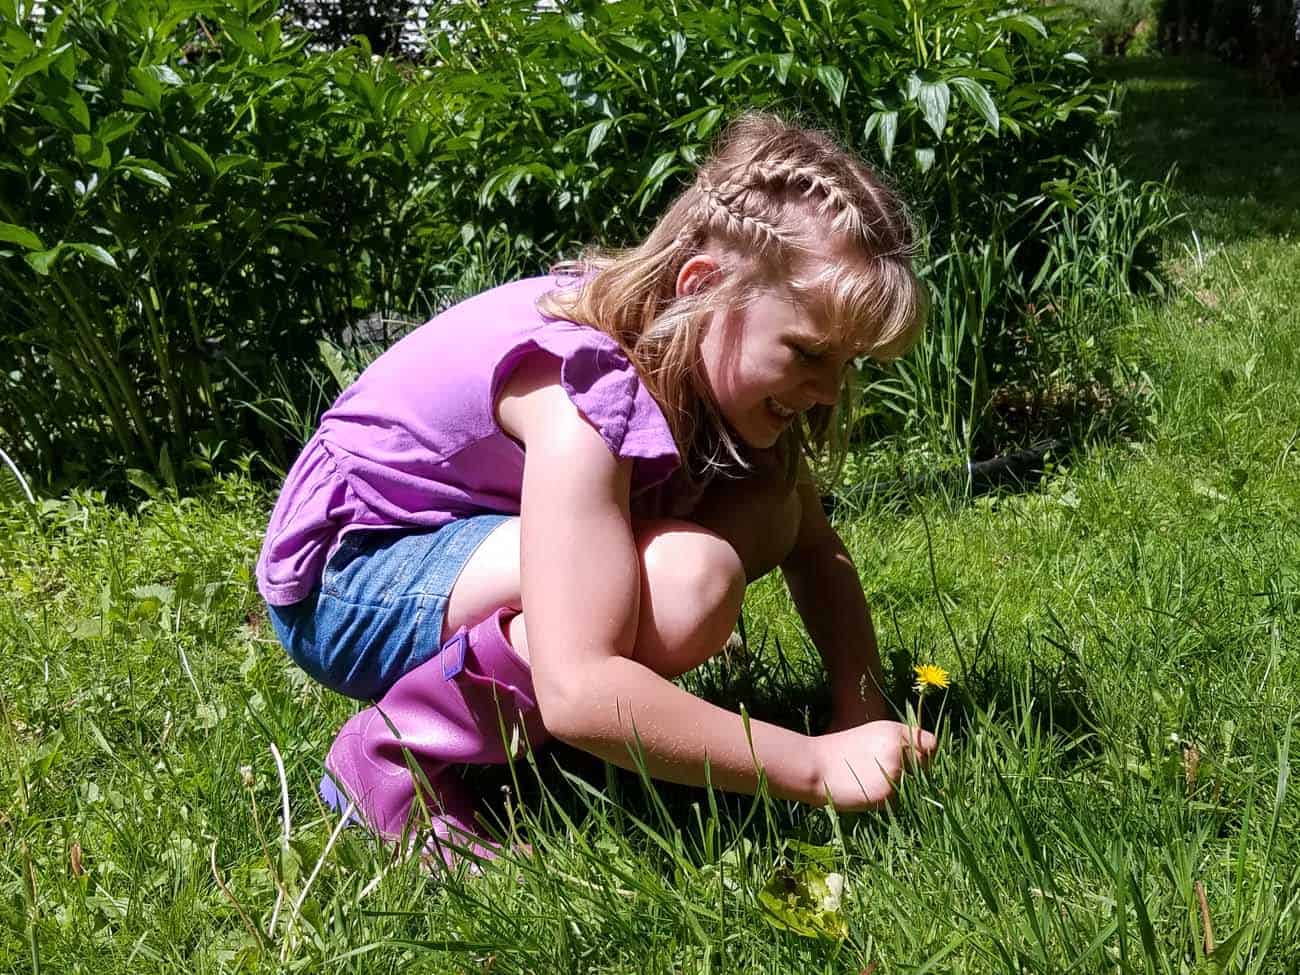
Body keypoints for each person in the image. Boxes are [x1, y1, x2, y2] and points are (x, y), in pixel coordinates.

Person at [256, 111, 939, 862]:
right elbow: (580, 687)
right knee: (685, 584)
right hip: (352, 571)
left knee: (767, 509)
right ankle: (394, 752)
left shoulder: (688, 354)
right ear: (703, 286)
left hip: (460, 540)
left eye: (845, 364)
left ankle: (532, 742)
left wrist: (858, 714)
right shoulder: (585, 389)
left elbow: (811, 544)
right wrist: (813, 767)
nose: (829, 392)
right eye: (809, 352)